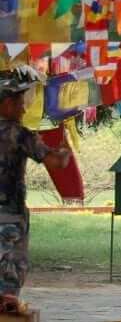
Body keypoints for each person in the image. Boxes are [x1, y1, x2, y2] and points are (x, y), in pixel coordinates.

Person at [0, 68, 69, 305]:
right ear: (6, 103)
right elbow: (55, 162)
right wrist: (64, 152)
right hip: (9, 217)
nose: (24, 108)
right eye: (19, 102)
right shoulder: (18, 134)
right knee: (9, 276)